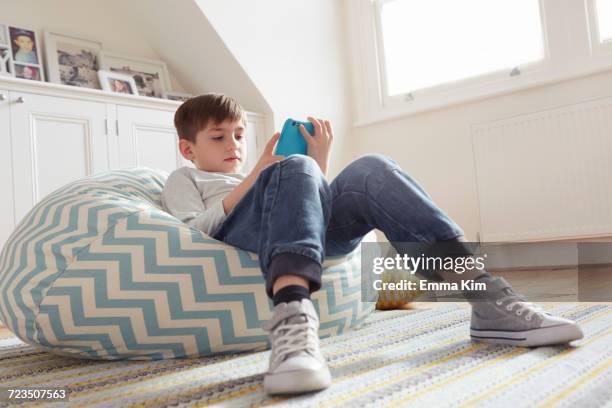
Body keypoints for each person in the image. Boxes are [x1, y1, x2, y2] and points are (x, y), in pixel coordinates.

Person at [161, 93, 583, 396]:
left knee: (371, 168)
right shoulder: (187, 179)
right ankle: (292, 324)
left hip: (302, 235)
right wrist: (257, 176)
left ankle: (487, 296)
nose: (233, 146)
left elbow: (311, 210)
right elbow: (195, 229)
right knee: (294, 167)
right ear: (188, 148)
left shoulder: (272, 169)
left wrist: (318, 160)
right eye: (219, 138)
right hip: (248, 237)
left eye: (238, 135)